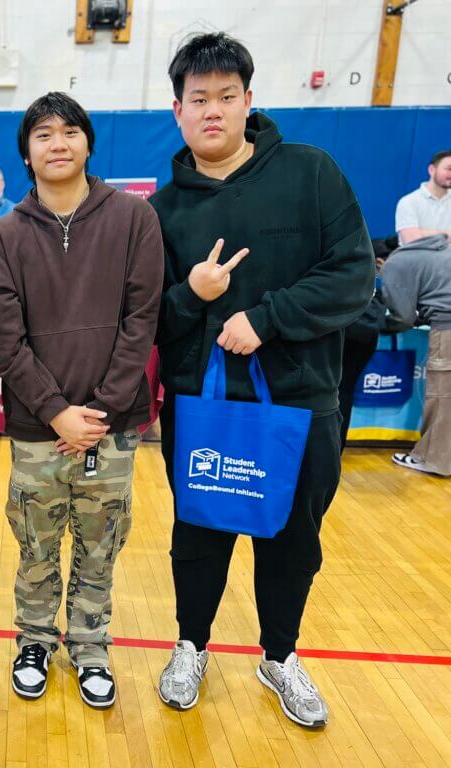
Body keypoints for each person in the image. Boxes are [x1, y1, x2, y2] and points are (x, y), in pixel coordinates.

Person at [151, 33, 374, 728]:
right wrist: (193, 294)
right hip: (201, 407)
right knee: (199, 534)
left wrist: (267, 317)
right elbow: (149, 317)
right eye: (198, 99)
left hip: (302, 403)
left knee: (291, 538)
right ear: (178, 112)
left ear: (249, 101)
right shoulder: (161, 212)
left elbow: (353, 276)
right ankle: (191, 645)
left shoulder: (311, 174)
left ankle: (280, 656)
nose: (212, 110)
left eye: (226, 96)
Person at [0, 92, 163, 710]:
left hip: (112, 426)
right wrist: (57, 411)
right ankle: (33, 640)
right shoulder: (3, 236)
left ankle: (90, 644)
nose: (57, 143)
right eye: (43, 135)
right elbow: (8, 339)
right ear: (26, 154)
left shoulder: (135, 220)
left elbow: (142, 319)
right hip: (38, 427)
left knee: (101, 539)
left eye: (69, 132)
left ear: (87, 142)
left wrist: (100, 411)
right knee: (35, 542)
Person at [380, 234, 451, 476]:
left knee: (442, 397)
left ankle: (432, 460)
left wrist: (379, 325)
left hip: (448, 328)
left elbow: (403, 317)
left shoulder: (392, 265)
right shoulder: (432, 251)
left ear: (378, 262)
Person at [395, 150, 451, 245]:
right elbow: (412, 241)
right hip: (416, 259)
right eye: (449, 169)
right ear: (431, 170)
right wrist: (447, 234)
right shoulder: (408, 202)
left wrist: (423, 233)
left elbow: (418, 238)